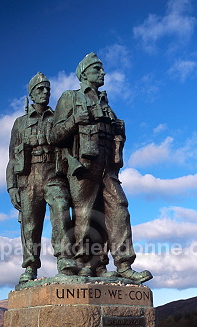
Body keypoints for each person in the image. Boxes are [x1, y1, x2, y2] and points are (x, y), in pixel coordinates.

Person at [50, 53, 152, 284]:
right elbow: (54, 135)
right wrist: (75, 119)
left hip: (108, 166)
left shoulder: (106, 104)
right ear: (84, 73)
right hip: (84, 165)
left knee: (119, 208)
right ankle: (87, 264)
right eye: (97, 69)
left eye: (102, 69)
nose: (103, 73)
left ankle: (124, 265)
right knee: (85, 215)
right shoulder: (70, 98)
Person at [6, 72, 77, 283]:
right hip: (28, 177)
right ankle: (30, 266)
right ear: (31, 94)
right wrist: (12, 188)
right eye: (40, 89)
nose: (45, 92)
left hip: (53, 174)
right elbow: (11, 158)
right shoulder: (20, 123)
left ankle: (65, 259)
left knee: (62, 207)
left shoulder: (58, 118)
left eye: (47, 89)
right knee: (30, 225)